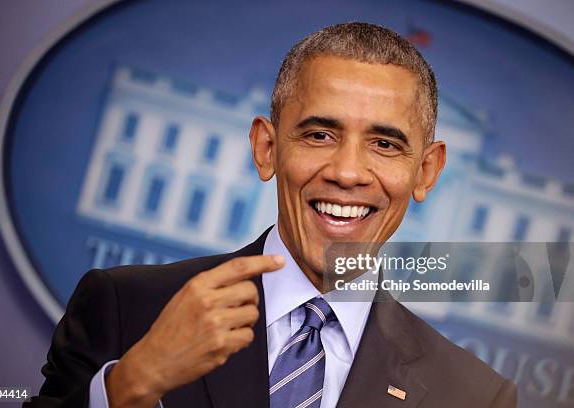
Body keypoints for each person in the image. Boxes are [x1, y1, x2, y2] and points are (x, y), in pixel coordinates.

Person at [25, 22, 517, 408]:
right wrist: (128, 388)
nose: (347, 173)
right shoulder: (125, 308)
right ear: (266, 148)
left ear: (426, 171)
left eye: (385, 144)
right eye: (319, 135)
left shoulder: (474, 396)